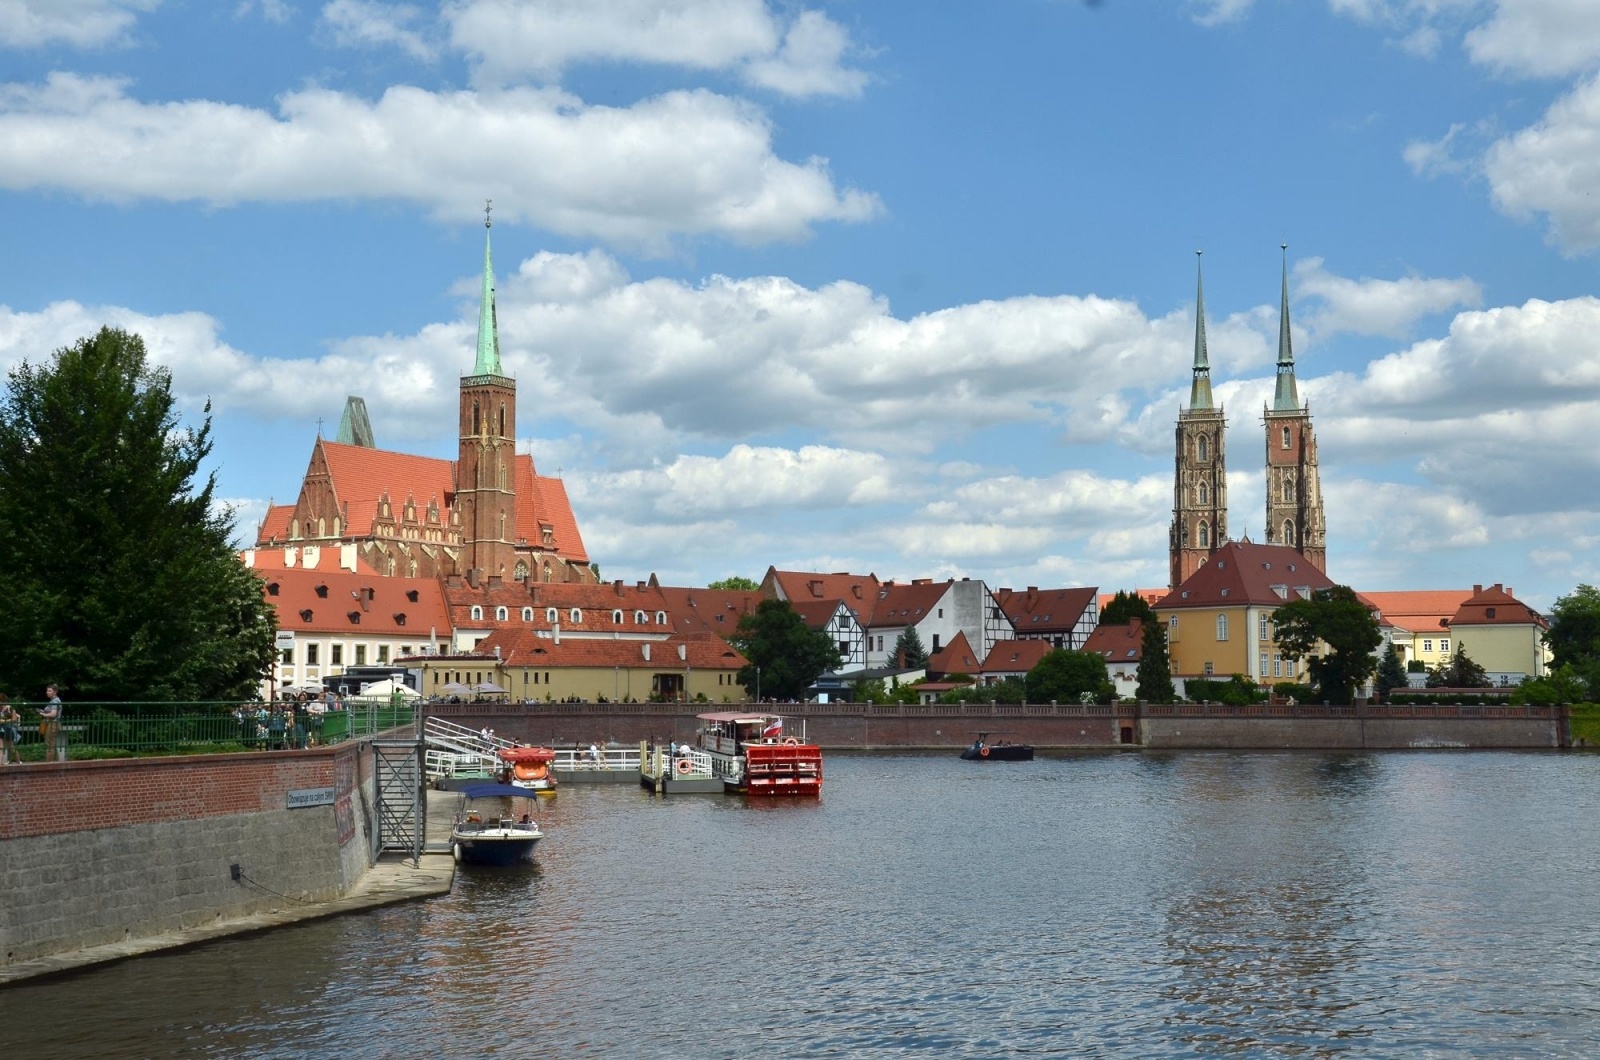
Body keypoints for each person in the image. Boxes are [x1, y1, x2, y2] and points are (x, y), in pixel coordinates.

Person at [40, 684, 65, 763]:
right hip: (51, 723)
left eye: (50, 691)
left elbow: (53, 714)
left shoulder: (55, 701)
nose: (47, 692)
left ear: (55, 692)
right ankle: (54, 761)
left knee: (50, 744)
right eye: (47, 690)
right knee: (51, 743)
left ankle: (49, 763)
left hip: (53, 723)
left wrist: (43, 714)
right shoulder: (53, 701)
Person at [0, 694, 19, 765]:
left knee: (11, 747)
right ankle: (0, 763)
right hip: (0, 729)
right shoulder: (0, 708)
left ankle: (18, 762)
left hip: (8, 728)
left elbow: (14, 719)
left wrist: (4, 721)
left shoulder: (10, 708)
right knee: (0, 747)